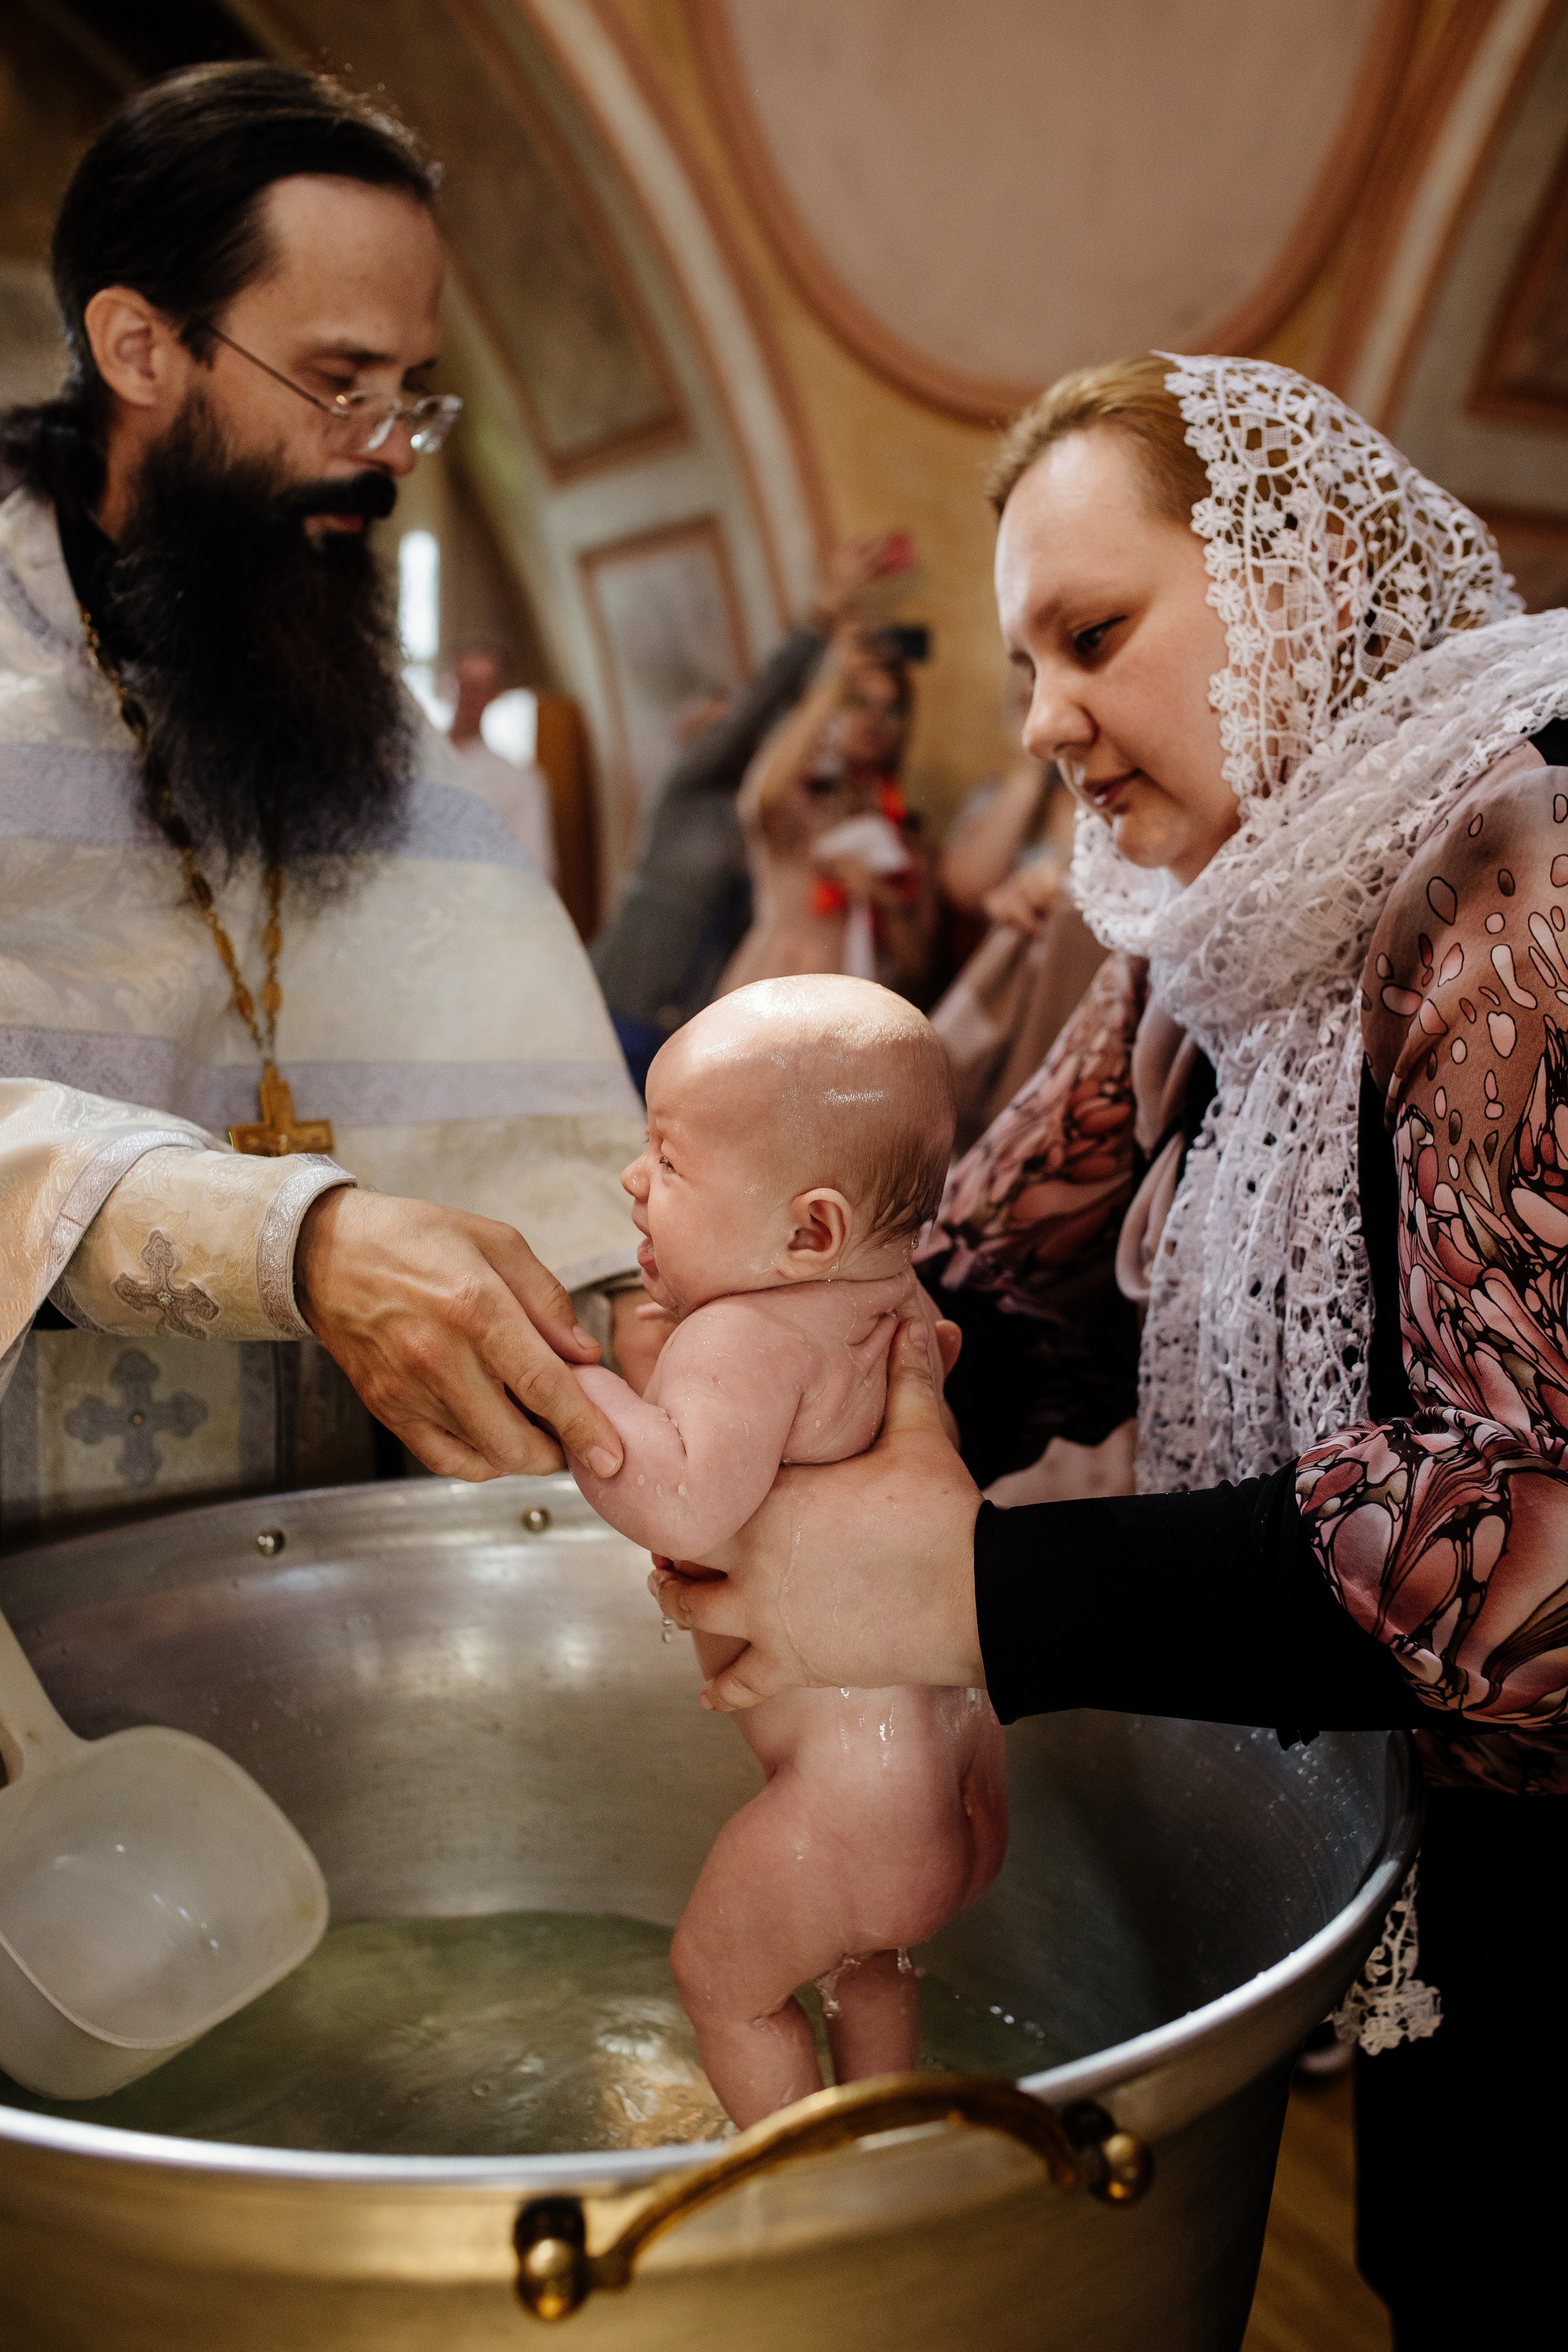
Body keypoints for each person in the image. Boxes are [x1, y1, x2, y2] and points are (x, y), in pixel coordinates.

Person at [650, 355, 1568, 2342]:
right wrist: (759, 1435)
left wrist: (966, 1592)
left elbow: (1538, 1547)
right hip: (1420, 1870)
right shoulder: (1205, 942)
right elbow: (990, 1289)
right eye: (1021, 662)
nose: (1045, 718)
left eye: (1092, 633)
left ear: (1303, 575)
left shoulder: (1524, 871)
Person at [0, 63, 647, 1543]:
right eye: (337, 385)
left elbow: (545, 1157)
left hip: (336, 1584)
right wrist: (292, 1240)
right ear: (137, 346)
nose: (381, 454)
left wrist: (643, 1309)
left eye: (407, 397)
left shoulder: (351, 721)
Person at [564, 975, 1004, 2125]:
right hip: (950, 1776)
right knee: (869, 1961)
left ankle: (803, 2180)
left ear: (809, 1230)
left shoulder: (744, 1332)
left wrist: (569, 1386)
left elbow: (680, 1501)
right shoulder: (889, 1308)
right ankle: (886, 2135)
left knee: (724, 1989)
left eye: (668, 1159)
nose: (634, 1180)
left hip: (845, 1808)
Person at [591, 535, 906, 1092]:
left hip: (692, 1023)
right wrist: (820, 620)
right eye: (710, 727)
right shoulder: (689, 794)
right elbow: (757, 712)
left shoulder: (794, 804)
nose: (718, 733)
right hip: (621, 1003)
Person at [717, 629, 938, 1002]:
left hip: (844, 1018)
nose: (874, 719)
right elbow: (759, 801)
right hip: (765, 999)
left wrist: (880, 896)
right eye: (858, 702)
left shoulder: (910, 840)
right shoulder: (800, 800)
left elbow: (918, 969)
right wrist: (834, 682)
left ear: (905, 726)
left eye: (891, 709)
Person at [446, 644, 555, 883]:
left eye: (482, 687)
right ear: (449, 684)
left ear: (496, 694)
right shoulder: (412, 762)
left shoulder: (521, 781)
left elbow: (535, 871)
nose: (471, 696)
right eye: (465, 684)